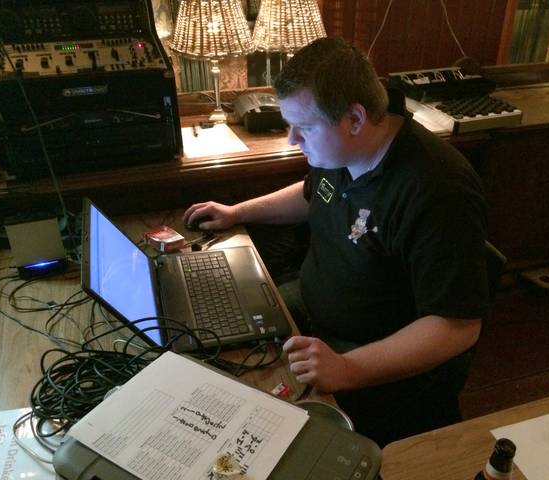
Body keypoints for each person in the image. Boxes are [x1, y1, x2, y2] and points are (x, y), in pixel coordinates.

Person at [184, 37, 489, 447]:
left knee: (260, 433)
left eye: (305, 128)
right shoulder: (343, 150)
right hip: (311, 312)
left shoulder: (437, 190)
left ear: (355, 118)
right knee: (212, 343)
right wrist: (237, 212)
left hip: (369, 357)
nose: (292, 139)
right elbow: (313, 194)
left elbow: (458, 327)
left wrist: (347, 368)